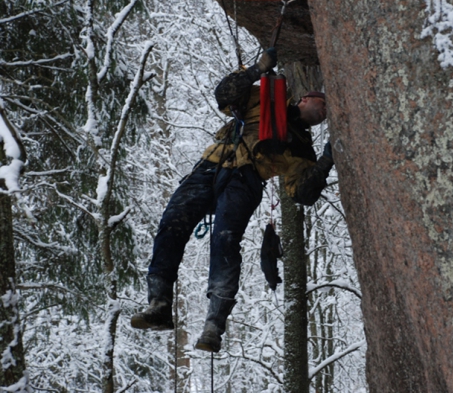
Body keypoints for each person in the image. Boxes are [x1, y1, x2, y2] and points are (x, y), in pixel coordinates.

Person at [130, 49, 333, 352]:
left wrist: (327, 161)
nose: (323, 111)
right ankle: (158, 302)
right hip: (212, 167)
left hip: (246, 180)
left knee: (224, 240)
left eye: (326, 113)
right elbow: (224, 94)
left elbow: (302, 193)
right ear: (304, 98)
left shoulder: (302, 149)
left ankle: (214, 325)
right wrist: (255, 70)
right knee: (173, 221)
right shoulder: (267, 99)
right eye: (321, 102)